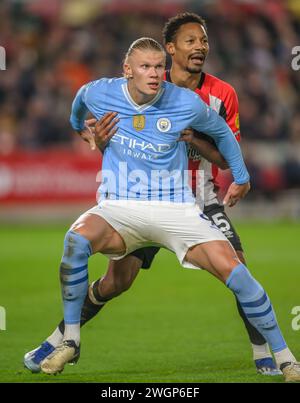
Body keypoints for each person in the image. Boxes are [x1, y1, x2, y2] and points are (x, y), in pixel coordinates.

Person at [24, 37, 299, 381]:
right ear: (127, 70)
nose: (154, 74)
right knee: (76, 242)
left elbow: (224, 135)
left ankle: (286, 359)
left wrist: (241, 177)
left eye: (158, 67)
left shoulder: (185, 102)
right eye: (145, 67)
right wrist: (83, 130)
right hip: (119, 208)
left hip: (176, 210)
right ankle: (70, 340)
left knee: (237, 272)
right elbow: (78, 105)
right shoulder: (99, 92)